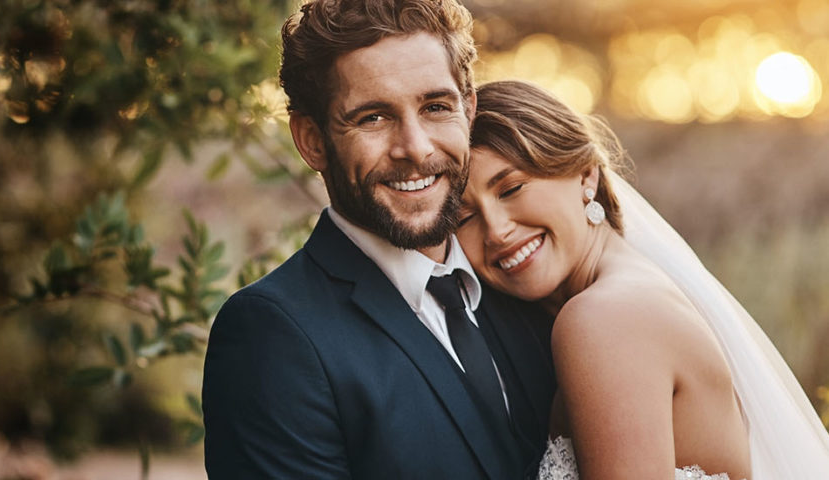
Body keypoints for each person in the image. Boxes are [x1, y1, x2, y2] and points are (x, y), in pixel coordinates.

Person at [202, 2, 556, 479]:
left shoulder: (527, 280)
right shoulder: (272, 335)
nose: (415, 148)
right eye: (372, 118)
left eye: (435, 107)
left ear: (468, 110)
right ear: (312, 140)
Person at [456, 79, 829, 479]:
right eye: (463, 216)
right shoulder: (634, 290)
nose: (496, 231)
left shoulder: (604, 318)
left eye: (511, 188)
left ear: (586, 176)